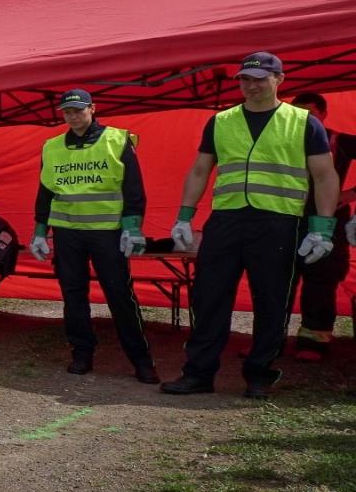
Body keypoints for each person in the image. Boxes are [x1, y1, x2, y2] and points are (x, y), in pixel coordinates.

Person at [160, 53, 339, 399]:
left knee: (272, 300)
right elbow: (200, 169)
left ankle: (260, 374)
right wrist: (184, 215)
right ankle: (198, 373)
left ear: (279, 79)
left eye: (260, 78)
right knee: (209, 297)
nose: (251, 85)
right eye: (245, 79)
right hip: (227, 219)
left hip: (279, 222)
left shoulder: (303, 122)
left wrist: (322, 227)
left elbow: (324, 175)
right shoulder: (221, 121)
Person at [30, 89, 159, 383]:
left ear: (92, 109)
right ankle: (82, 353)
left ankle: (141, 360)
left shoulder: (117, 139)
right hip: (67, 234)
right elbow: (45, 192)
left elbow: (133, 189)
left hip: (107, 234)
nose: (73, 116)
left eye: (78, 110)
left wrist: (132, 228)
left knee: (119, 296)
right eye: (67, 112)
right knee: (73, 296)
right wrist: (40, 232)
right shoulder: (51, 147)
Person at [288, 93, 356, 361]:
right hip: (286, 219)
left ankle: (314, 340)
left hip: (328, 220)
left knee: (321, 279)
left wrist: (350, 194)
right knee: (276, 278)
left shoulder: (338, 140)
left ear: (323, 114)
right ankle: (270, 339)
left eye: (310, 113)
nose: (304, 120)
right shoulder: (281, 141)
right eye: (298, 114)